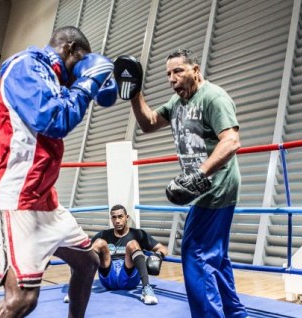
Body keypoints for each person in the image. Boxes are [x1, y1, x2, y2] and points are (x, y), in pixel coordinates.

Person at [0, 25, 116, 318]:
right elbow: (55, 119)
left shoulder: (54, 80)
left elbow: (65, 105)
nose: (80, 69)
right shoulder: (23, 68)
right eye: (80, 61)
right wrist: (88, 81)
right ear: (68, 49)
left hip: (46, 202)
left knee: (87, 263)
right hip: (16, 199)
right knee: (21, 300)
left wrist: (90, 85)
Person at [119, 49, 246, 317]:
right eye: (168, 74)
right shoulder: (177, 103)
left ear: (195, 70)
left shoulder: (213, 97)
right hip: (204, 190)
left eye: (178, 71)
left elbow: (231, 141)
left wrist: (199, 174)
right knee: (215, 258)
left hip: (216, 187)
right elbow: (149, 123)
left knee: (195, 255)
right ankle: (235, 314)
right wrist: (134, 93)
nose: (172, 78)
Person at [91, 204, 168, 305]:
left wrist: (158, 255)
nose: (117, 221)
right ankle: (79, 288)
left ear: (126, 217)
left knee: (132, 244)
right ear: (111, 219)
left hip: (129, 275)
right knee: (99, 242)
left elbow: (163, 248)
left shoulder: (138, 234)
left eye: (120, 216)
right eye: (114, 217)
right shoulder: (104, 234)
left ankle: (146, 290)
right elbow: (86, 250)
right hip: (108, 276)